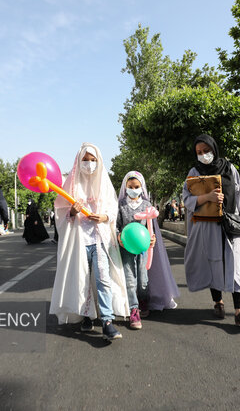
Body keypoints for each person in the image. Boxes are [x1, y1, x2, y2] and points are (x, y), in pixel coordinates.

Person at [49, 143, 128, 340]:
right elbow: (60, 212)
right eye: (85, 160)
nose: (89, 164)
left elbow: (112, 208)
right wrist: (72, 211)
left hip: (100, 238)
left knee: (103, 280)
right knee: (82, 279)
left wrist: (104, 217)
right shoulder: (71, 184)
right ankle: (87, 315)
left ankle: (107, 321)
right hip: (79, 241)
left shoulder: (104, 183)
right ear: (78, 161)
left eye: (93, 160)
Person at [183, 134, 240, 326]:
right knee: (212, 263)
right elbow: (187, 200)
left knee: (237, 264)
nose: (203, 155)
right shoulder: (194, 171)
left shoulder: (229, 168)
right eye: (199, 152)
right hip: (207, 225)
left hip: (232, 223)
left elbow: (239, 194)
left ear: (214, 149)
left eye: (206, 151)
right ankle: (218, 302)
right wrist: (208, 197)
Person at [116, 171, 155, 330]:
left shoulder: (147, 205)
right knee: (130, 279)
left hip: (142, 248)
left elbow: (152, 227)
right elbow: (116, 225)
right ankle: (133, 309)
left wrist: (152, 239)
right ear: (125, 187)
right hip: (126, 247)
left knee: (143, 278)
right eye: (130, 187)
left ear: (142, 187)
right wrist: (118, 236)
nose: (133, 189)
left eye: (137, 186)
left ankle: (144, 300)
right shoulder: (121, 205)